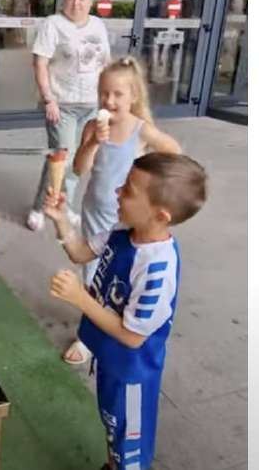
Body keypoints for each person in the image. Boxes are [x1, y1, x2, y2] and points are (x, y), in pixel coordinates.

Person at [43, 153, 208, 470]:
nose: (117, 191)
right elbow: (79, 252)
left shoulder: (157, 268)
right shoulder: (122, 232)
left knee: (128, 443)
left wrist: (80, 299)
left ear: (160, 215)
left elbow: (133, 337)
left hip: (131, 374)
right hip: (110, 359)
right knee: (112, 426)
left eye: (129, 189)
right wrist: (60, 219)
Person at [61, 56, 182, 366]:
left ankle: (115, 323)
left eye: (118, 94)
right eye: (104, 93)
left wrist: (156, 188)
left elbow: (174, 150)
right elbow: (79, 168)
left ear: (134, 96)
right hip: (94, 212)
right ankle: (87, 337)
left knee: (116, 276)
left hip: (124, 219)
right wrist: (92, 143)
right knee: (91, 274)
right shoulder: (93, 126)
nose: (109, 100)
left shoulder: (141, 130)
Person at [27, 0, 111, 231]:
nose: (76, 2)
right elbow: (40, 63)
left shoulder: (98, 26)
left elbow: (105, 64)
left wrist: (107, 100)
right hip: (62, 104)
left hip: (91, 105)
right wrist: (48, 99)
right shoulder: (53, 24)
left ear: (91, 1)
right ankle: (40, 207)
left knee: (78, 160)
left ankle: (65, 206)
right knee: (60, 157)